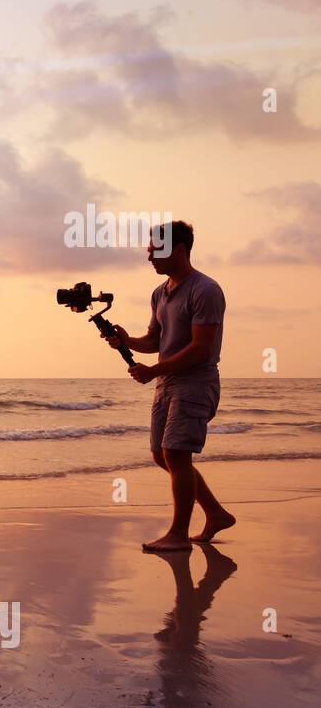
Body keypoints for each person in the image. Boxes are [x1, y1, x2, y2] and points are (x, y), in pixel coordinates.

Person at [109, 220, 235, 551]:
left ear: (179, 250)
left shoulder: (205, 289)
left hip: (195, 381)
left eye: (155, 251)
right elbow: (155, 339)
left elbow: (201, 348)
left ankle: (179, 535)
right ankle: (216, 513)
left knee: (176, 454)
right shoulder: (160, 293)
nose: (149, 257)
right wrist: (127, 341)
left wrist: (154, 370)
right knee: (161, 455)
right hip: (167, 383)